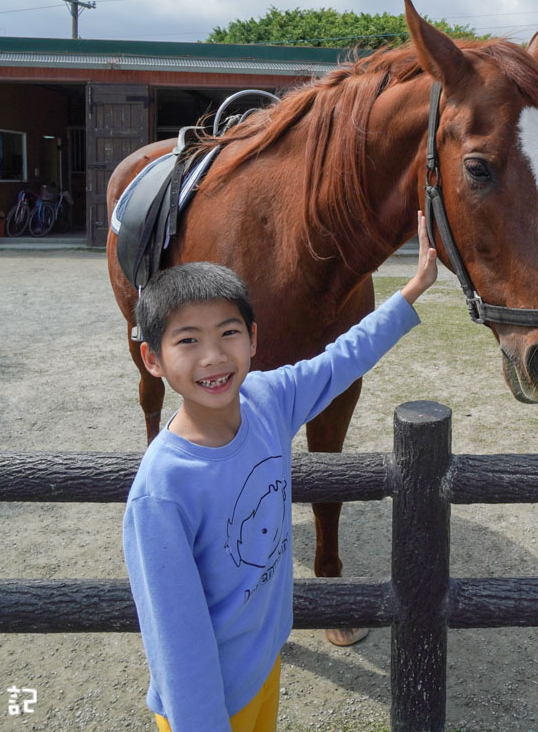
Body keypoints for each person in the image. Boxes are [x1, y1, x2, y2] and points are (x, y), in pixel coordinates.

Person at [123, 214, 439, 732]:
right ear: (152, 359)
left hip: (262, 663)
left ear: (252, 337)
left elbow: (343, 357)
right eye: (187, 341)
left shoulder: (267, 400)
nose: (213, 356)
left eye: (228, 333)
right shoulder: (163, 490)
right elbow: (174, 638)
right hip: (206, 704)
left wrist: (415, 287)